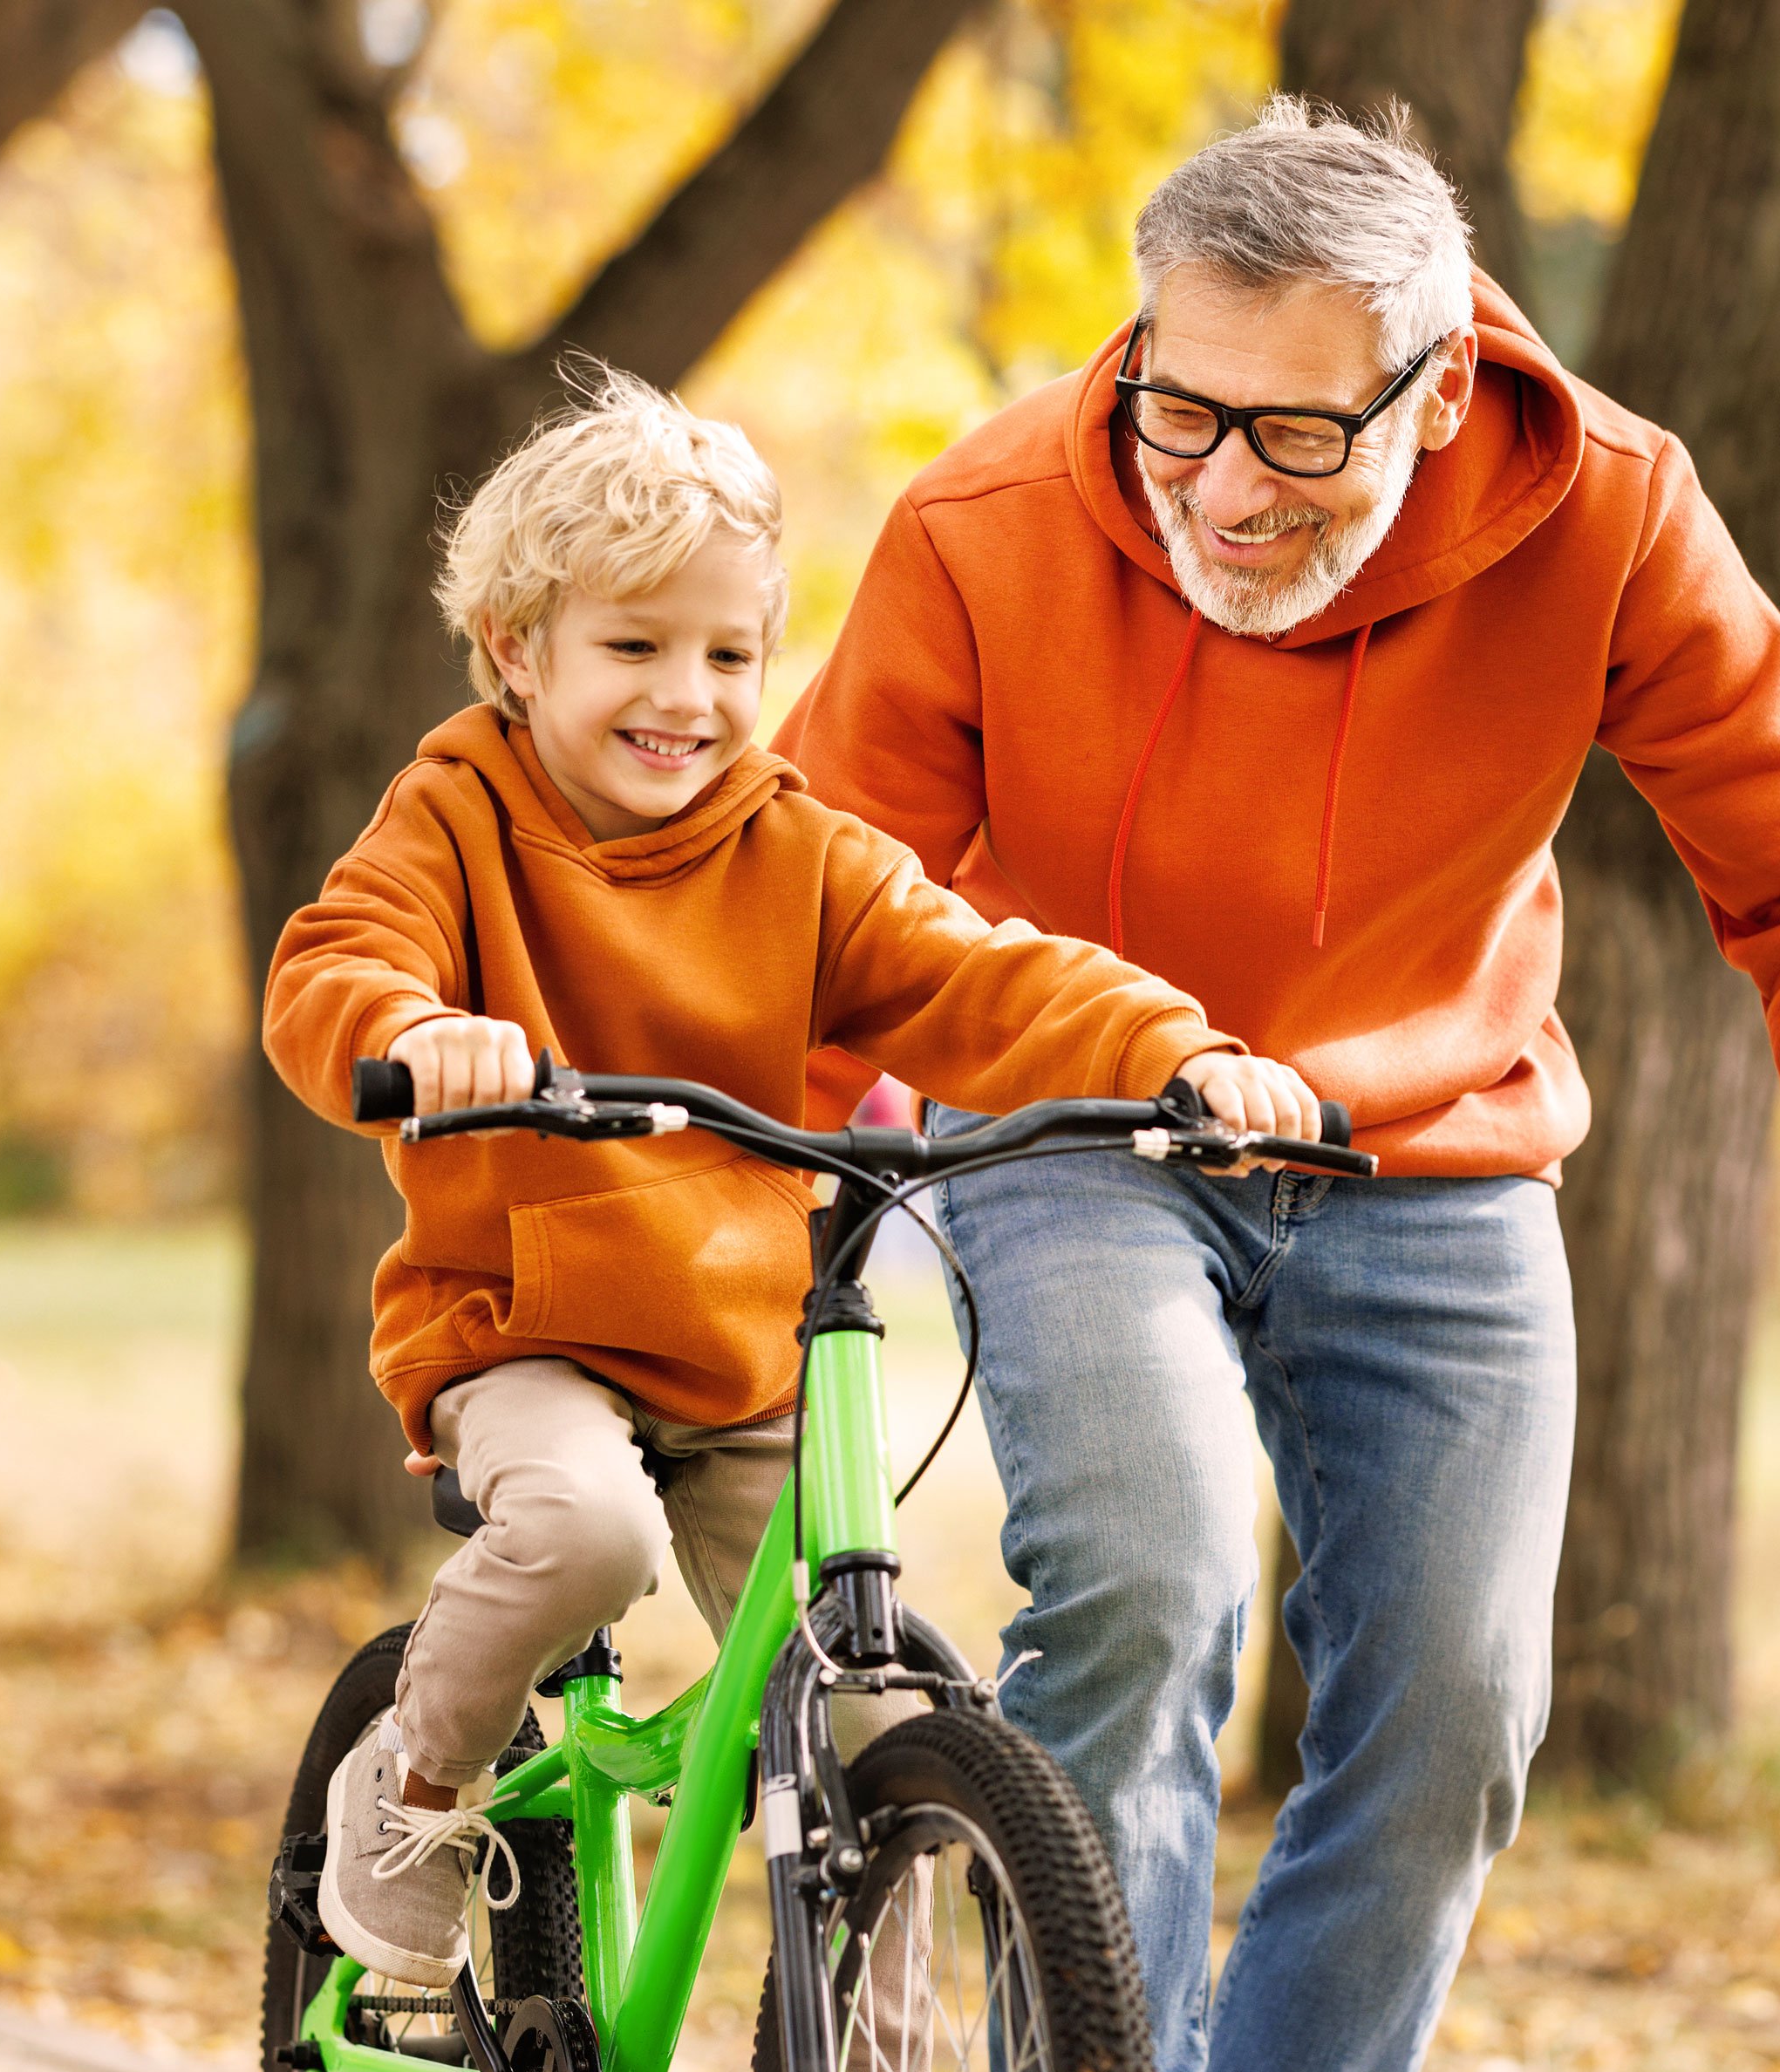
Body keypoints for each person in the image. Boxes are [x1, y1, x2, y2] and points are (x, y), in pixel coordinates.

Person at [775, 99, 1780, 2072]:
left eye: (1297, 433)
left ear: (1437, 394)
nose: (1226, 488)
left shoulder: (1602, 510)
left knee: (1451, 1723)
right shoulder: (988, 521)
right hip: (1076, 1120)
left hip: (1429, 1148)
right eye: (1182, 409)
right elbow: (808, 911)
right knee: (1147, 1588)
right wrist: (679, 1228)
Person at [258, 362, 1323, 1988]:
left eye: (729, 654)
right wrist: (417, 1025)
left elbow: (984, 974)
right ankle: (408, 1779)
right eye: (633, 647)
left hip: (744, 1352)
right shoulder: (456, 815)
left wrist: (1175, 1053)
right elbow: (337, 961)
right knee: (588, 1535)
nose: (686, 695)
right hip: (526, 1329)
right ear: (515, 652)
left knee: (872, 1709)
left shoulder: (795, 846)